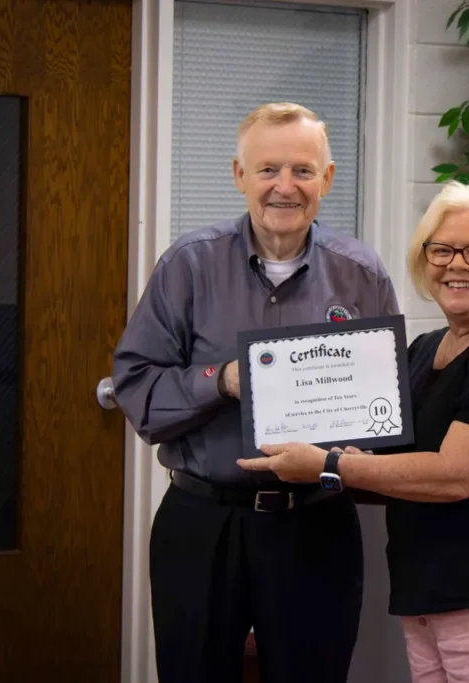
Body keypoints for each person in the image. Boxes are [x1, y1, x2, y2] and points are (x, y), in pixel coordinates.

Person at [240, 180, 469, 683]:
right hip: (429, 597)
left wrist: (328, 464)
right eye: (440, 249)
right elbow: (388, 452)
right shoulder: (422, 350)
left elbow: (454, 474)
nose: (456, 264)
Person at [112, 102, 400, 683]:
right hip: (203, 522)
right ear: (239, 175)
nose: (284, 187)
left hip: (316, 525)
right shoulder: (187, 266)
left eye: (302, 170)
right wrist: (222, 379)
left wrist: (370, 447)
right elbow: (136, 385)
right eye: (268, 170)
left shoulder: (361, 275)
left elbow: (384, 406)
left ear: (328, 178)